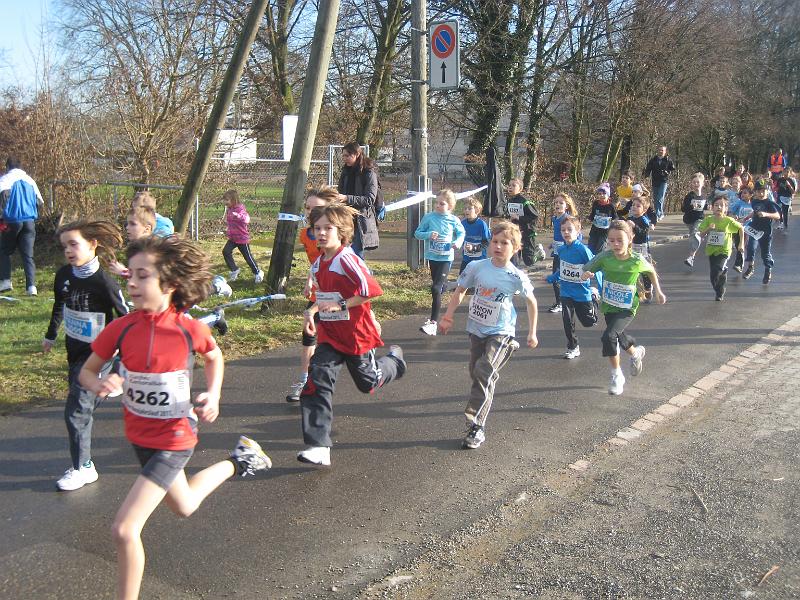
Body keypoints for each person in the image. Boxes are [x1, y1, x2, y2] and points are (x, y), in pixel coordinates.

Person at [77, 234, 272, 600]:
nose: (131, 283)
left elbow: (214, 357)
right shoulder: (122, 328)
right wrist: (101, 382)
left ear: (170, 283)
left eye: (142, 275)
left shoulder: (190, 329)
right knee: (184, 506)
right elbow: (87, 372)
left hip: (175, 439)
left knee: (124, 528)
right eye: (129, 275)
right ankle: (240, 459)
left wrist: (212, 394)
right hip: (140, 437)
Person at [298, 203, 407, 466]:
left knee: (367, 382)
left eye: (328, 228)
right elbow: (325, 297)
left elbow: (371, 291)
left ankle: (394, 362)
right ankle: (319, 445)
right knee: (316, 379)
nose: (322, 233)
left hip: (356, 335)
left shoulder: (347, 259)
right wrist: (311, 313)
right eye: (318, 228)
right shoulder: (320, 262)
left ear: (342, 232)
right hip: (330, 333)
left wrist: (343, 305)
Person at [43, 221, 129, 491]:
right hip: (75, 353)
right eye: (64, 246)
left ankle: (83, 467)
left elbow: (126, 320)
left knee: (76, 412)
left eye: (74, 244)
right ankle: (107, 386)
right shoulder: (63, 276)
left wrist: (120, 362)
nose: (68, 251)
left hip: (98, 356)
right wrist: (51, 334)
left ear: (93, 244)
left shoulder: (104, 282)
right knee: (83, 406)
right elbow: (59, 304)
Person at [439, 220, 538, 449]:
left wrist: (532, 332)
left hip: (501, 332)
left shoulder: (516, 277)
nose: (499, 246)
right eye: (495, 241)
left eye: (505, 243)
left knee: (484, 370)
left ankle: (476, 423)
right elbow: (461, 290)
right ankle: (477, 418)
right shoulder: (476, 267)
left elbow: (531, 302)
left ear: (515, 248)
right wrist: (448, 316)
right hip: (476, 329)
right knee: (478, 374)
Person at [581, 220, 667, 396]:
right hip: (609, 305)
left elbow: (650, 270)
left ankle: (617, 375)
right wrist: (586, 275)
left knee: (609, 336)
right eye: (611, 240)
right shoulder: (605, 257)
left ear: (630, 238)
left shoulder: (636, 260)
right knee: (617, 336)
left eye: (619, 240)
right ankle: (635, 353)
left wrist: (658, 291)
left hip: (628, 307)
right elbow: (587, 268)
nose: (615, 244)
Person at [286, 187, 339, 402]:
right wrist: (310, 280)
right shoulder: (305, 235)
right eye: (307, 208)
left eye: (315, 208)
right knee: (309, 336)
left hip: (336, 294)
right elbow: (316, 263)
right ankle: (305, 380)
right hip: (318, 295)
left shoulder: (336, 235)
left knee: (345, 339)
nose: (309, 212)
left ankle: (370, 361)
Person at [414, 189, 465, 336]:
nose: (437, 205)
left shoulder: (453, 220)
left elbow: (461, 233)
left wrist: (457, 242)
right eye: (436, 202)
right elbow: (417, 233)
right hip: (432, 257)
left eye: (441, 203)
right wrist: (429, 234)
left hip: (446, 258)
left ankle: (432, 323)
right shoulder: (429, 217)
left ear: (450, 206)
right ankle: (451, 285)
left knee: (435, 289)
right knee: (439, 287)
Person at [545, 215, 598, 359]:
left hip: (582, 293)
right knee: (567, 321)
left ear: (578, 231)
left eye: (569, 229)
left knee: (589, 322)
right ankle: (573, 347)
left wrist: (598, 282)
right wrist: (552, 278)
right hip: (566, 292)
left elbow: (596, 265)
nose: (566, 232)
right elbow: (562, 269)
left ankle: (593, 297)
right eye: (563, 230)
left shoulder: (583, 250)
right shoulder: (562, 250)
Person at [0, 157, 44, 294]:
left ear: (7, 167)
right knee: (28, 255)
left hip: (11, 221)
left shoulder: (5, 180)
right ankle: (31, 287)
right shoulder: (30, 181)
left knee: (4, 251)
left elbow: (2, 199)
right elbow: (40, 202)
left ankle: (6, 281)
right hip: (29, 222)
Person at [698, 193, 744, 301]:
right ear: (712, 207)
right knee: (713, 276)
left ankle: (720, 288)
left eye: (722, 205)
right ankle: (719, 289)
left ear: (726, 208)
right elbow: (701, 234)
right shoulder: (708, 219)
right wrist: (709, 229)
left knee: (717, 269)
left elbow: (741, 228)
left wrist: (741, 244)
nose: (719, 207)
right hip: (711, 250)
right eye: (716, 205)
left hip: (724, 250)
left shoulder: (729, 221)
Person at [337, 142, 379, 258]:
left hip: (361, 220)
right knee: (344, 254)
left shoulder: (368, 173)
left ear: (357, 154)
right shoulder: (345, 172)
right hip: (345, 219)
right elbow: (340, 191)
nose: (344, 158)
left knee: (356, 254)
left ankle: (362, 275)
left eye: (347, 155)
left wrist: (347, 198)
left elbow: (369, 199)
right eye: (343, 155)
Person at [742, 179, 781, 284]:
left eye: (763, 191)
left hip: (765, 231)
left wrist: (766, 214)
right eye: (759, 191)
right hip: (754, 228)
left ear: (767, 191)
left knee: (765, 254)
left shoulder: (769, 203)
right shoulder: (754, 201)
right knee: (750, 247)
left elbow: (777, 216)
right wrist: (746, 218)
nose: (761, 193)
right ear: (755, 192)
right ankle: (750, 267)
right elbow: (754, 212)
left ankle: (768, 269)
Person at [221, 189, 264, 284]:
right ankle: (234, 269)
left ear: (233, 200)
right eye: (224, 200)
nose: (224, 202)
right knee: (226, 252)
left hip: (242, 239)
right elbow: (231, 223)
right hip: (233, 238)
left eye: (227, 200)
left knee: (248, 257)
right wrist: (228, 231)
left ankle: (257, 272)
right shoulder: (229, 209)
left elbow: (246, 219)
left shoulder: (240, 208)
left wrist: (239, 216)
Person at [548, 192, 578, 314]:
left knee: (558, 277)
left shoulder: (567, 219)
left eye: (561, 203)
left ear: (567, 206)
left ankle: (561, 303)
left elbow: (578, 236)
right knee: (561, 276)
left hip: (566, 252)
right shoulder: (555, 219)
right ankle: (565, 300)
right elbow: (558, 235)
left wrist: (569, 246)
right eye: (556, 203)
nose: (558, 205)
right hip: (557, 251)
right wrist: (553, 243)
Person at [506, 178, 543, 267]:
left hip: (527, 233)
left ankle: (538, 254)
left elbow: (534, 216)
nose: (510, 187)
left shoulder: (525, 201)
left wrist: (519, 218)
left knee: (528, 261)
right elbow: (510, 215)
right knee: (514, 259)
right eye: (509, 185)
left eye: (514, 185)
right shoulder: (510, 201)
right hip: (516, 233)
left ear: (520, 189)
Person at [626, 196, 654, 302]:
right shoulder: (630, 219)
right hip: (632, 247)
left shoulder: (644, 220)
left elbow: (643, 234)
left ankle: (648, 289)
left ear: (644, 209)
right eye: (633, 205)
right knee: (631, 269)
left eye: (638, 206)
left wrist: (634, 226)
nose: (634, 207)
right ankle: (633, 292)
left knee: (644, 271)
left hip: (643, 248)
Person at [681, 173, 707, 268]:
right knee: (693, 238)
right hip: (689, 220)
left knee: (695, 234)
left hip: (699, 219)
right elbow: (683, 209)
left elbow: (705, 208)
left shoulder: (704, 197)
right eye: (694, 182)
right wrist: (691, 206)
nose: (696, 184)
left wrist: (710, 207)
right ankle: (702, 234)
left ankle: (691, 257)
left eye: (698, 182)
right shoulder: (689, 196)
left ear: (702, 183)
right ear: (691, 184)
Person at [642, 145, 675, 220]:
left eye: (662, 150)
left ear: (665, 151)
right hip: (655, 180)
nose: (661, 151)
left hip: (664, 181)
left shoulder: (668, 160)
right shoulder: (653, 160)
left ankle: (658, 214)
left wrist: (667, 172)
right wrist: (645, 176)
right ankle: (660, 213)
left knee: (660, 198)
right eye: (659, 150)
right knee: (655, 198)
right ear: (657, 151)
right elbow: (648, 169)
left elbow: (673, 169)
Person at [460, 196, 491, 273]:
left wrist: (474, 248)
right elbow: (458, 237)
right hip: (466, 258)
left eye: (470, 208)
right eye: (465, 208)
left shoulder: (482, 224)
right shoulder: (462, 224)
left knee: (478, 281)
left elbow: (487, 242)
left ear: (477, 210)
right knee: (462, 279)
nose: (466, 210)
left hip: (479, 259)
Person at [587, 183, 617, 254]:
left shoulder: (611, 206)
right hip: (594, 230)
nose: (601, 196)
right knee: (590, 248)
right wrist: (589, 219)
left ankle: (598, 263)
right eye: (599, 194)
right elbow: (593, 214)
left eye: (604, 194)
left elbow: (615, 217)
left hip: (604, 232)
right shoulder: (595, 203)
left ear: (608, 195)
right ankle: (590, 262)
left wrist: (614, 225)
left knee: (600, 249)